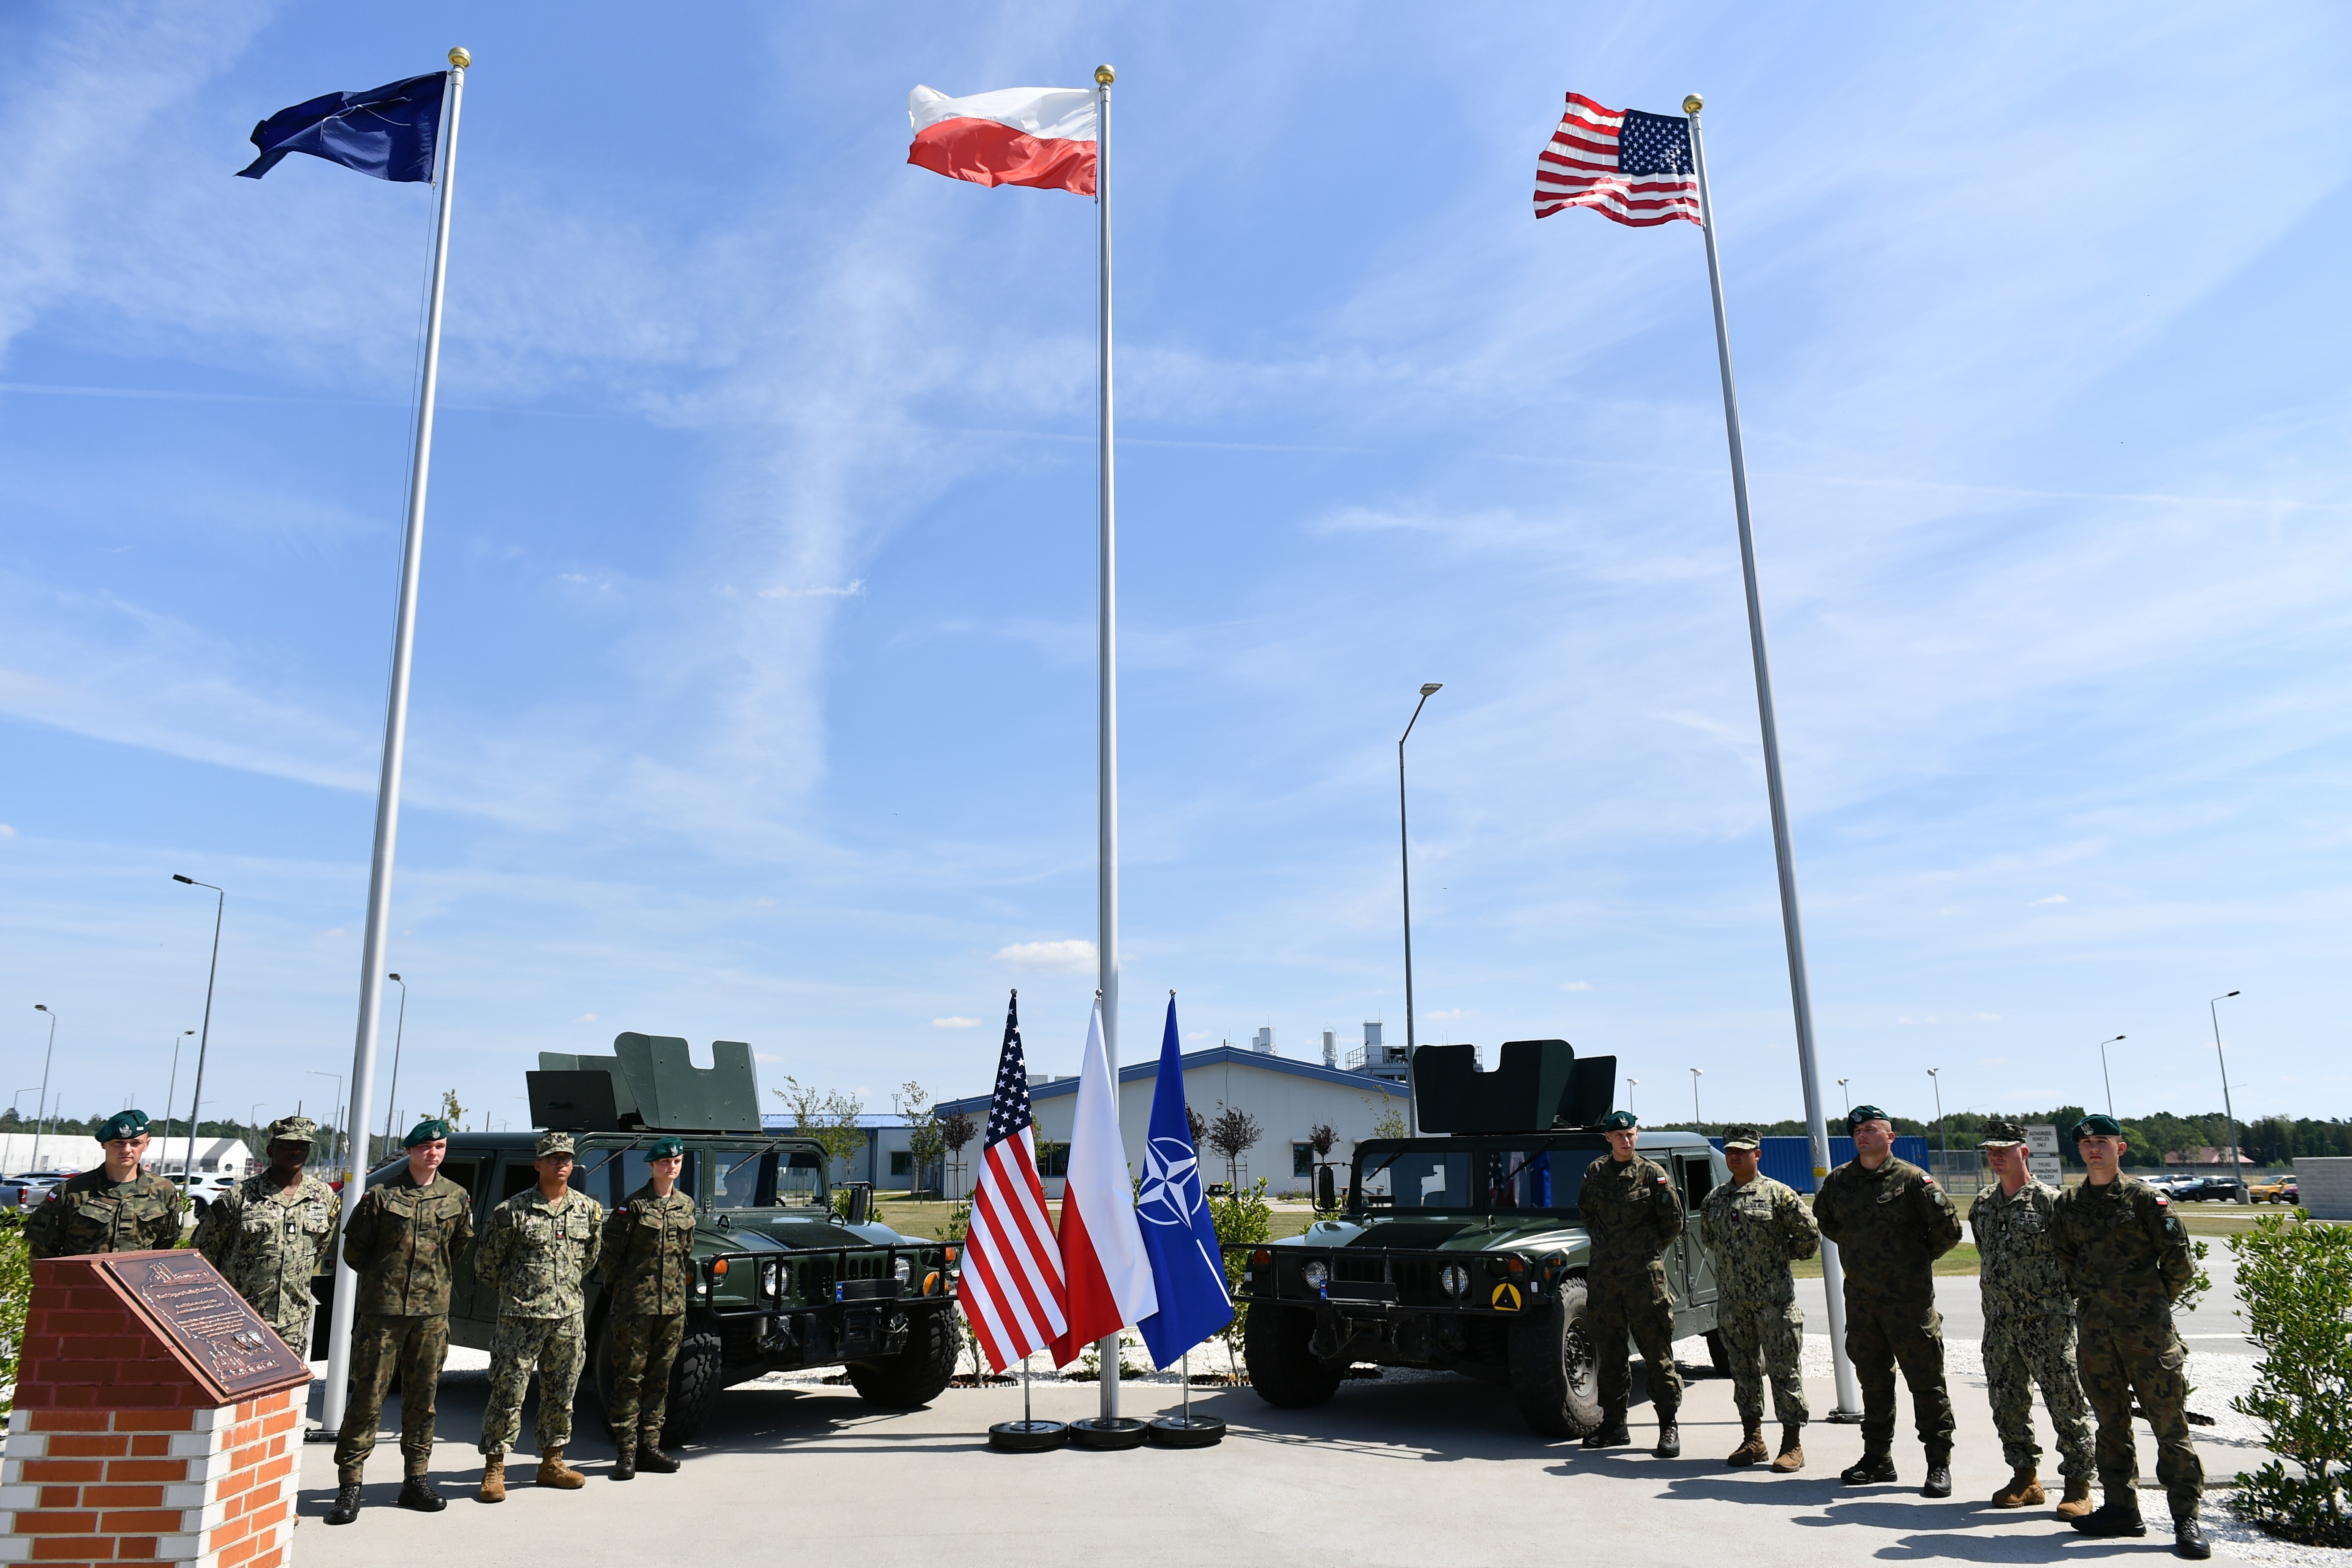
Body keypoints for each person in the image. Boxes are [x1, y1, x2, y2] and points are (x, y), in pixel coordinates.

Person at [2051, 1113, 2208, 1559]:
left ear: (2120, 1148)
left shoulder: (2145, 1199)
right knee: (2111, 1424)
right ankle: (2121, 1508)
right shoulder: (2068, 1204)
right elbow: (2066, 1258)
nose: (2093, 1149)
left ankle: (2186, 1517)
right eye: (2086, 1143)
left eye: (2102, 1141)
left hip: (2148, 1335)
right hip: (2097, 1335)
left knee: (2169, 1425)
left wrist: (2149, 1304)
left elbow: (2179, 1262)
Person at [326, 1118, 475, 1526]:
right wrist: (386, 1282)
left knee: (422, 1403)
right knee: (366, 1401)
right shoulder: (380, 1196)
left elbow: (457, 1247)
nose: (434, 1153)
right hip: (383, 1315)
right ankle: (350, 1486)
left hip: (431, 1317)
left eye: (440, 1147)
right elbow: (355, 1250)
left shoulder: (456, 1197)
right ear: (410, 1150)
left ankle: (416, 1480)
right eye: (426, 1147)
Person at [1812, 1104, 1963, 1496]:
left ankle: (1938, 1463)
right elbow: (1827, 1222)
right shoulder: (1840, 1181)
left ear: (1890, 1136)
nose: (1864, 1135)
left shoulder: (1913, 1180)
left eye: (1872, 1129)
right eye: (1858, 1130)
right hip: (1863, 1304)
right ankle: (1878, 1458)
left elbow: (1948, 1230)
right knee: (1874, 1384)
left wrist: (1914, 1259)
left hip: (1909, 1303)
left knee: (1927, 1384)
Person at [1970, 1118, 2095, 1518]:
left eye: (2004, 1151)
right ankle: (2025, 1478)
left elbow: (2077, 1261)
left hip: (2048, 1323)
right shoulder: (1984, 1204)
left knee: (2065, 1401)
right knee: (2007, 1402)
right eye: (1990, 1151)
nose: (1996, 1157)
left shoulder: (2051, 1202)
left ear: (2023, 1152)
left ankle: (2078, 1484)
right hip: (2000, 1323)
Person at [475, 1130, 604, 1501]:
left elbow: (589, 1259)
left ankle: (553, 1462)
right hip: (521, 1319)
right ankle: (495, 1468)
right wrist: (523, 1292)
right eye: (553, 1158)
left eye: (566, 1159)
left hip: (568, 1318)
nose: (560, 1164)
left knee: (561, 1393)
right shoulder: (510, 1212)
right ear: (538, 1164)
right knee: (508, 1391)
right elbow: (487, 1267)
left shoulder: (588, 1211)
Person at [1698, 1124, 1818, 1472]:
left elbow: (1809, 1238)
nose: (1734, 1156)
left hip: (1774, 1304)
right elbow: (1710, 1239)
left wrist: (1776, 1261)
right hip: (1734, 1305)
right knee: (1743, 1373)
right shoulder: (1715, 1199)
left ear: (1757, 1155)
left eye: (1742, 1151)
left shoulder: (1779, 1195)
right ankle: (1754, 1440)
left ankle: (1792, 1444)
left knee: (1785, 1373)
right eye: (1730, 1151)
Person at [1577, 1109, 1685, 1457]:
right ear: (1608, 1138)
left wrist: (1644, 1251)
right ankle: (1614, 1424)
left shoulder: (1653, 1175)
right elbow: (1588, 1215)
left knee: (1657, 1354)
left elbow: (1674, 1222)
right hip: (1605, 1279)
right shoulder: (1595, 1172)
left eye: (1632, 1134)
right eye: (1620, 1135)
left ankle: (1668, 1425)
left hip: (1644, 1280)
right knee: (1609, 1354)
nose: (1627, 1140)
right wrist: (1611, 1251)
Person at [192, 1115, 340, 1353]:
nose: (296, 1152)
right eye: (287, 1145)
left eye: (303, 1147)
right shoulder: (239, 1197)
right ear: (271, 1150)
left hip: (294, 1321)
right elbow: (205, 1252)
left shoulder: (324, 1197)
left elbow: (319, 1248)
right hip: (241, 1318)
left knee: (289, 1388)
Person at [599, 1135, 697, 1478]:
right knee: (629, 1379)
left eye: (677, 1162)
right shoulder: (633, 1207)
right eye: (665, 1162)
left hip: (672, 1309)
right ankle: (626, 1452)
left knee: (660, 1381)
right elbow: (610, 1257)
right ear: (652, 1166)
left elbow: (684, 1252)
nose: (672, 1167)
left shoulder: (686, 1205)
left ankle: (650, 1447)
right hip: (634, 1308)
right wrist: (626, 1293)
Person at [24, 1110, 184, 1258]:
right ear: (104, 1144)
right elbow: (42, 1249)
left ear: (146, 1145)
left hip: (137, 1284)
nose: (127, 1150)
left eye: (135, 1143)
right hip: (83, 1285)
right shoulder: (70, 1192)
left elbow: (165, 1246)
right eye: (118, 1143)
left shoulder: (164, 1190)